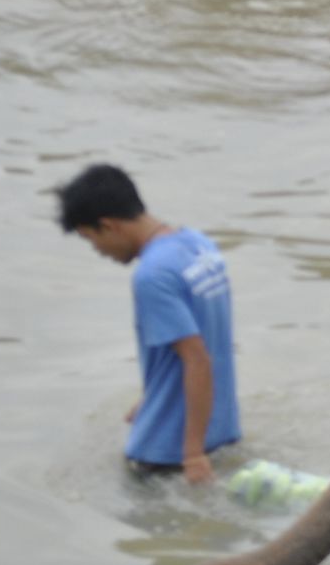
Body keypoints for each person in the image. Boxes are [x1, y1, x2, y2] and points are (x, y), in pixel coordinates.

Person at [54, 163, 241, 483]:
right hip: (223, 433)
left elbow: (196, 357)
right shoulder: (199, 246)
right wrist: (154, 395)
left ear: (108, 226)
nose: (97, 251)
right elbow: (209, 335)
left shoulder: (152, 275)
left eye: (90, 239)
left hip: (167, 454)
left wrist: (193, 453)